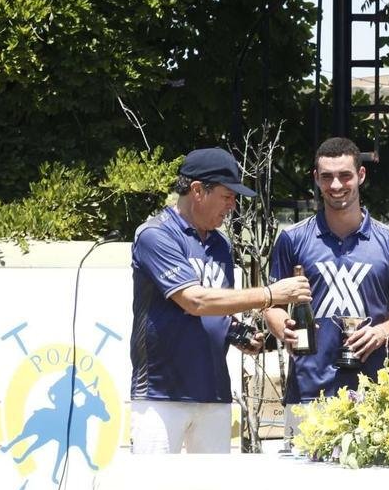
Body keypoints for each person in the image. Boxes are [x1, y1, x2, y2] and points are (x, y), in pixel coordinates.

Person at [130, 147, 312, 454]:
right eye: (228, 196)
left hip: (213, 392)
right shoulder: (156, 235)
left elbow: (219, 305)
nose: (233, 205)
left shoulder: (220, 244)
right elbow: (194, 301)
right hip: (162, 395)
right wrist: (270, 295)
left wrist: (237, 333)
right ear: (198, 190)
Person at [265, 138, 389, 432]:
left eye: (345, 175)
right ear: (316, 179)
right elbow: (272, 306)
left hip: (373, 392)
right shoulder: (292, 240)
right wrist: (283, 326)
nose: (336, 185)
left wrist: (382, 332)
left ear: (360, 175)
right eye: (327, 177)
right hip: (308, 390)